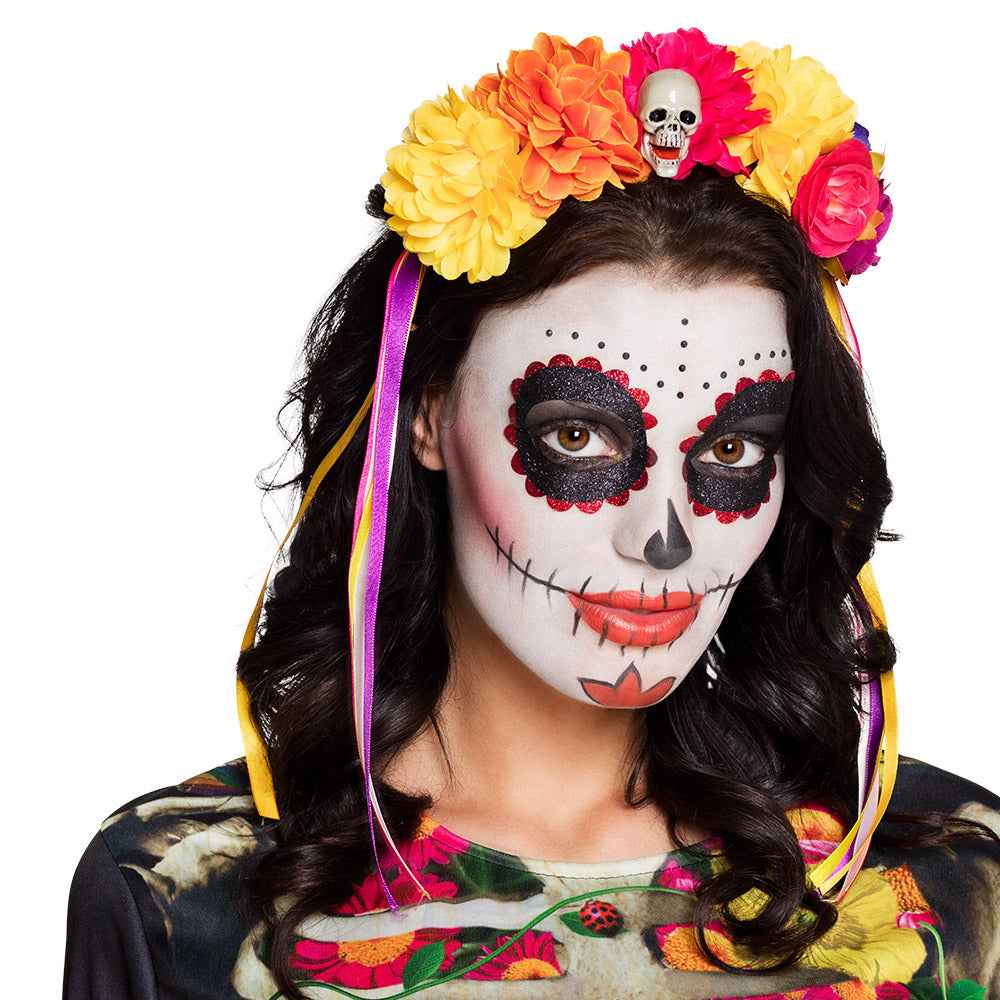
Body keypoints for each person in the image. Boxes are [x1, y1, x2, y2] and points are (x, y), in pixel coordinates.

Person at [63, 27, 1000, 1000]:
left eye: (731, 451)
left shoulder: (948, 883)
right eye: (579, 436)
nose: (664, 539)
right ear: (428, 415)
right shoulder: (184, 894)